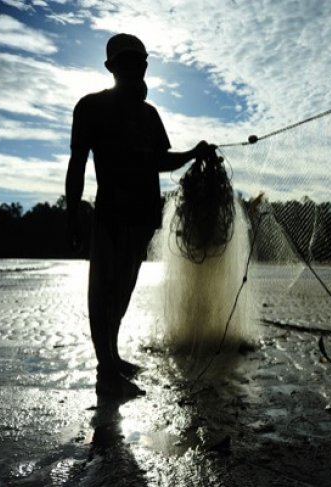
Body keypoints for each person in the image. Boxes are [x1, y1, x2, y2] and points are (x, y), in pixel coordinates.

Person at [65, 33, 216, 398]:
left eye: (140, 62)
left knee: (124, 291)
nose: (136, 67)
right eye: (127, 62)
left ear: (145, 67)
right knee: (103, 291)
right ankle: (107, 373)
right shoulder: (90, 107)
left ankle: (113, 359)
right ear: (111, 67)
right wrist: (72, 213)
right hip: (111, 214)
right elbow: (77, 163)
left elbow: (161, 161)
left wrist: (195, 152)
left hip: (144, 215)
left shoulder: (149, 115)